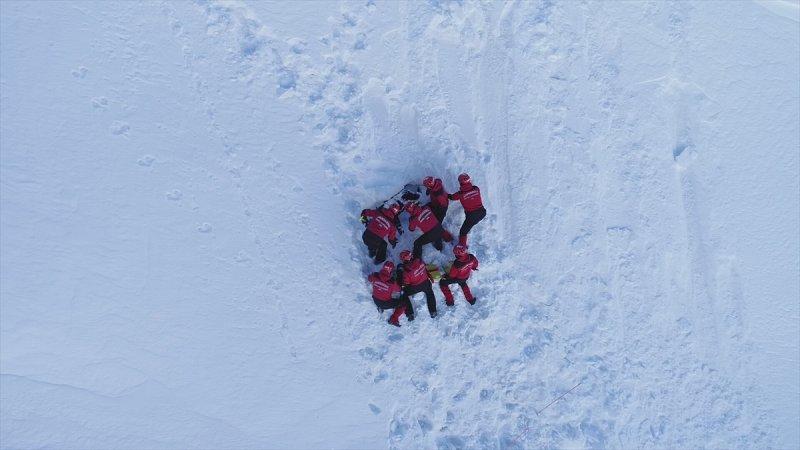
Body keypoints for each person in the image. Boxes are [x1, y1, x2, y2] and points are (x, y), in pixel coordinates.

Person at [368, 261, 414, 326]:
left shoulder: (375, 276)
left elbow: (369, 278)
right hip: (386, 303)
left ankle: (380, 308)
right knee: (403, 303)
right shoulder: (392, 283)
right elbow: (399, 289)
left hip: (376, 300)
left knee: (383, 296)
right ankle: (394, 318)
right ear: (391, 271)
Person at [449, 173, 486, 246]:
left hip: (472, 216)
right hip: (482, 212)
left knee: (463, 232)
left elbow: (451, 197)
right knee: (470, 223)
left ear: (460, 183)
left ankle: (462, 248)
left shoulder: (460, 194)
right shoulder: (476, 188)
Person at [397, 250, 438, 318]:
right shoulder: (420, 261)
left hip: (414, 287)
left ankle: (410, 314)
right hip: (425, 283)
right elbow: (425, 268)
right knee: (430, 293)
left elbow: (406, 283)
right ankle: (433, 311)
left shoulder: (407, 271)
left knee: (404, 295)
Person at [422, 176, 453, 243]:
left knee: (436, 225)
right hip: (435, 204)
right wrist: (429, 190)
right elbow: (439, 180)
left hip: (441, 209)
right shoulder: (437, 182)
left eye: (427, 186)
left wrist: (436, 210)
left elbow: (443, 204)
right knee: (424, 208)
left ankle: (447, 237)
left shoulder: (438, 194)